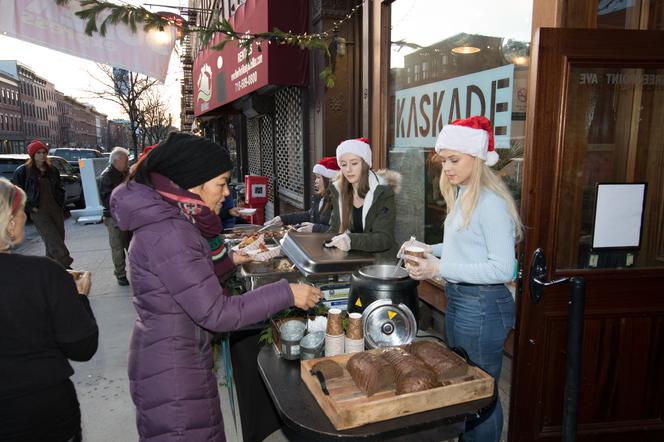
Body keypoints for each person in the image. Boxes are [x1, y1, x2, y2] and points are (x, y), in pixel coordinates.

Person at [110, 132, 321, 441]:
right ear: (193, 183)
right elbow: (216, 313)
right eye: (221, 183)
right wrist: (286, 292)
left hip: (174, 355)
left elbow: (189, 276)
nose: (226, 194)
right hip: (173, 370)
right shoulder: (171, 232)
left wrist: (227, 261)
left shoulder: (173, 223)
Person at [401, 116, 523, 442]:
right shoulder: (467, 193)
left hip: (483, 306)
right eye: (444, 161)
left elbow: (502, 269)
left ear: (478, 157)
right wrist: (429, 247)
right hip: (465, 302)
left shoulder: (491, 203)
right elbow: (465, 244)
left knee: (480, 395)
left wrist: (438, 268)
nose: (448, 168)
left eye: (454, 159)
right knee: (467, 391)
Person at [0, 177, 98, 442]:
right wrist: (79, 297)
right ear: (9, 222)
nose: (24, 218)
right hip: (41, 411)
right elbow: (81, 346)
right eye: (21, 213)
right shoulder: (42, 273)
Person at [325, 138, 401, 262]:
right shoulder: (338, 190)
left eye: (354, 163)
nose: (348, 169)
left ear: (365, 164)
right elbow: (335, 229)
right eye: (343, 164)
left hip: (380, 264)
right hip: (349, 261)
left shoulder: (382, 191)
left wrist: (351, 240)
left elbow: (384, 238)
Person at [11, 139, 73, 268]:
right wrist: (30, 207)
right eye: (38, 152)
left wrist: (60, 203)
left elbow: (59, 188)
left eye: (44, 152)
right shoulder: (23, 171)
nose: (42, 155)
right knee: (53, 241)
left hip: (55, 209)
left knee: (57, 240)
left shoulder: (52, 170)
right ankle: (66, 265)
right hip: (39, 212)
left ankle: (52, 272)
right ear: (32, 155)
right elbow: (16, 193)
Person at [264, 156, 339, 232]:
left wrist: (315, 228)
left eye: (318, 178)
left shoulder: (339, 201)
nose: (316, 181)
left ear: (329, 180)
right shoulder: (321, 197)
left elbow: (340, 231)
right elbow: (309, 215)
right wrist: (283, 219)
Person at [98, 146, 130, 286]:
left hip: (127, 215)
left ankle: (135, 270)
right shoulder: (106, 176)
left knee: (131, 244)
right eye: (125, 160)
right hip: (114, 217)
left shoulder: (125, 172)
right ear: (116, 161)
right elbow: (107, 200)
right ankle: (121, 274)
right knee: (117, 247)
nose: (128, 163)